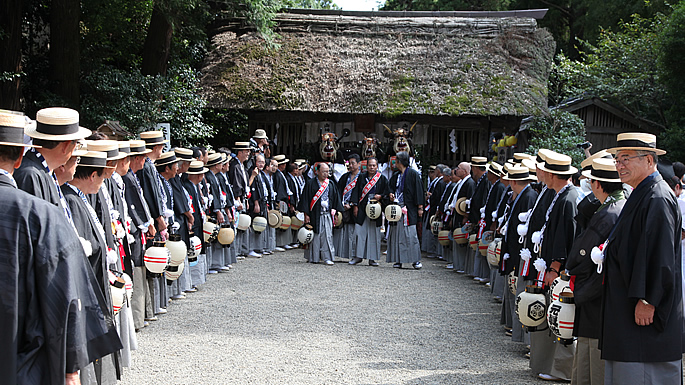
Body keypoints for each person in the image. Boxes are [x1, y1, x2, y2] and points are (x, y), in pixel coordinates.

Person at [0, 111, 121, 385]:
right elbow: (57, 284)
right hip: (22, 342)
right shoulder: (34, 199)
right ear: (20, 156)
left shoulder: (42, 180)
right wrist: (70, 365)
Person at [600, 133, 684, 384]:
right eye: (617, 159)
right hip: (625, 303)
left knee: (642, 373)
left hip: (643, 307)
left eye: (626, 159)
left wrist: (648, 299)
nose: (619, 165)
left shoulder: (657, 197)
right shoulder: (642, 192)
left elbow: (661, 256)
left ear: (649, 160)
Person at [61, 151, 123, 385]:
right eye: (101, 178)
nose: (102, 183)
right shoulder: (72, 200)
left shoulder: (79, 197)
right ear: (92, 175)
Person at [566, 158, 625, 385]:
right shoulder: (621, 205)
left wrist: (574, 273)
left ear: (598, 184)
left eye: (592, 181)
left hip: (595, 287)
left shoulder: (609, 212)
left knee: (592, 355)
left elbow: (580, 255)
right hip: (606, 289)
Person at [530, 151, 579, 382]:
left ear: (551, 174)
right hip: (551, 265)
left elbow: (564, 235)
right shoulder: (560, 194)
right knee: (554, 318)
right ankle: (552, 365)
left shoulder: (568, 197)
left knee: (561, 320)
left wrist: (555, 266)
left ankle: (562, 370)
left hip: (559, 269)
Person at [498, 164, 538, 344]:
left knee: (517, 289)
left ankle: (519, 330)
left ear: (513, 181)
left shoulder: (529, 196)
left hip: (521, 250)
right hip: (514, 248)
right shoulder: (520, 195)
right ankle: (513, 326)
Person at [386, 151, 424, 269]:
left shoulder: (413, 174)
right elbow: (390, 187)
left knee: (410, 235)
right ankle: (398, 259)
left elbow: (419, 190)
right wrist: (391, 194)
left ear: (400, 161)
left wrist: (420, 207)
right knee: (396, 234)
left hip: (409, 208)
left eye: (396, 160)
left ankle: (415, 260)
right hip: (396, 208)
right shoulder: (396, 175)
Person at [299, 162, 343, 265]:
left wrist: (336, 214)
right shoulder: (310, 183)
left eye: (327, 172)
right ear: (317, 171)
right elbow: (305, 199)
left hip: (327, 213)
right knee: (315, 236)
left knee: (327, 236)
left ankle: (327, 257)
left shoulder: (331, 184)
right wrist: (306, 214)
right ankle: (313, 257)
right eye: (323, 172)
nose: (325, 174)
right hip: (314, 213)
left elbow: (336, 199)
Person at [350, 157, 388, 266]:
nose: (371, 167)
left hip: (375, 208)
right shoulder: (361, 177)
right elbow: (356, 192)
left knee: (374, 234)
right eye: (370, 165)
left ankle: (372, 258)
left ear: (377, 166)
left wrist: (380, 196)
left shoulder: (381, 178)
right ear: (366, 166)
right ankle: (358, 256)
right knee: (359, 232)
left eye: (374, 165)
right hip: (362, 207)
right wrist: (355, 206)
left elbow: (387, 192)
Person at [466, 156, 492, 281]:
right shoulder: (480, 180)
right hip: (478, 217)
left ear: (475, 168)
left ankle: (484, 274)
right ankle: (479, 272)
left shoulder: (485, 180)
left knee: (483, 245)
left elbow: (483, 200)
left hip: (482, 218)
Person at [336, 153, 361, 262]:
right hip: (343, 207)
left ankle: (355, 255)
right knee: (344, 231)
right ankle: (343, 253)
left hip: (355, 207)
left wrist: (353, 204)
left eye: (352, 163)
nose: (350, 165)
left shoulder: (362, 177)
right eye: (348, 163)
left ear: (359, 164)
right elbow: (338, 191)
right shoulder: (344, 177)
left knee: (354, 232)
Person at [229, 142, 252, 257]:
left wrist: (246, 200)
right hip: (237, 198)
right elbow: (236, 184)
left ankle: (242, 249)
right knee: (238, 223)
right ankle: (237, 251)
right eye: (246, 151)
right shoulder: (235, 166)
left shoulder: (242, 166)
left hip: (243, 197)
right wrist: (237, 199)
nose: (248, 153)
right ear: (239, 152)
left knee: (243, 223)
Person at [422, 165, 445, 259]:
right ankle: (432, 250)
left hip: (436, 207)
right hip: (432, 206)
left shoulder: (441, 182)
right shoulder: (439, 181)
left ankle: (435, 251)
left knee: (435, 229)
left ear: (438, 171)